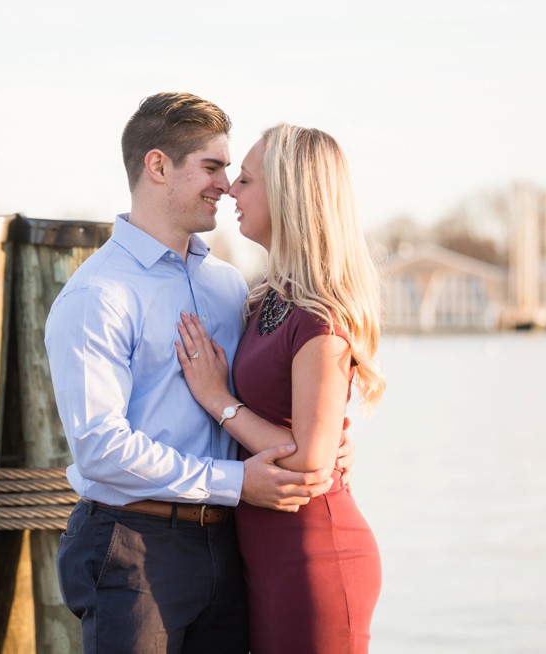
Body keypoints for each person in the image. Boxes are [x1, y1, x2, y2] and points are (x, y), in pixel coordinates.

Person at [44, 93, 355, 654]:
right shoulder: (98, 294)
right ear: (158, 166)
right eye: (211, 167)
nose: (226, 185)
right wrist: (239, 483)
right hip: (132, 547)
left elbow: (272, 394)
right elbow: (100, 448)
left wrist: (324, 444)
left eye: (232, 171)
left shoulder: (229, 286)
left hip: (231, 545)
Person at [174, 123, 386, 654]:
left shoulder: (320, 318)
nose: (229, 189)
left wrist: (217, 398)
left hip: (314, 557)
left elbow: (311, 460)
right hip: (263, 556)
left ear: (288, 193)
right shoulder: (265, 299)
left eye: (244, 179)